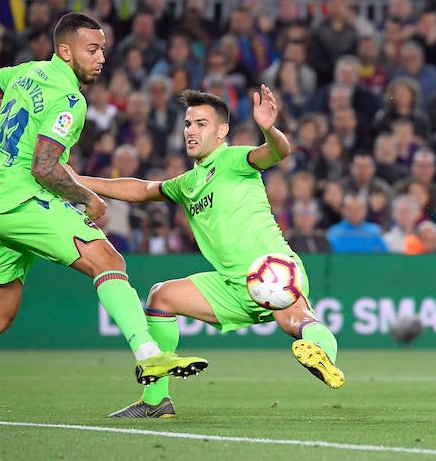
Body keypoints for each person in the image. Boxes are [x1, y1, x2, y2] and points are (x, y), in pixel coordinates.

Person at [0, 13, 207, 425]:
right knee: (110, 262)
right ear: (65, 50)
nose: (101, 58)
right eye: (92, 49)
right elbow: (44, 167)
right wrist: (89, 199)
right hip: (24, 202)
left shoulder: (25, 73)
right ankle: (149, 356)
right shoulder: (69, 98)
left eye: (103, 50)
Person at [72, 86, 345, 419]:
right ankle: (156, 401)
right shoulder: (188, 183)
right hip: (230, 285)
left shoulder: (232, 160)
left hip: (271, 268)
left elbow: (276, 152)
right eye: (188, 124)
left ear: (221, 131)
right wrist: (79, 180)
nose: (190, 131)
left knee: (297, 321)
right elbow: (142, 190)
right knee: (161, 297)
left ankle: (323, 358)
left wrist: (269, 129)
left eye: (201, 123)